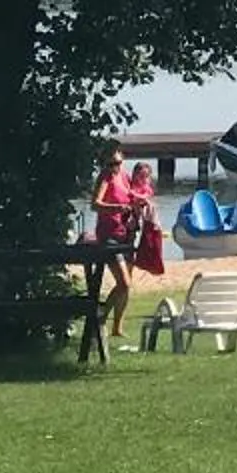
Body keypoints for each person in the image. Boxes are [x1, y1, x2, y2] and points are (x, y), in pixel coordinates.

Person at [92, 147, 142, 349]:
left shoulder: (125, 177)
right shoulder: (105, 177)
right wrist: (115, 208)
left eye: (118, 163)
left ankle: (117, 327)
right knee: (124, 283)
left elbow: (132, 198)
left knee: (127, 285)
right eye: (111, 164)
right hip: (109, 235)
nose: (115, 167)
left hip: (126, 234)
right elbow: (95, 204)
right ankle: (100, 317)